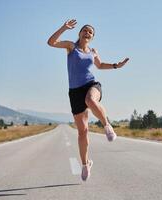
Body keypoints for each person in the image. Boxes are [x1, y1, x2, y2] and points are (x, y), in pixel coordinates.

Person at [47, 19, 129, 181]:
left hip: (91, 84)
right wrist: (64, 27)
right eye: (85, 30)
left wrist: (115, 66)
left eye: (90, 32)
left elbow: (99, 65)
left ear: (92, 37)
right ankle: (85, 164)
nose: (87, 33)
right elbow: (51, 42)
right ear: (79, 33)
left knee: (91, 100)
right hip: (75, 92)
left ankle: (107, 125)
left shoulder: (93, 51)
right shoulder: (71, 47)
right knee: (83, 131)